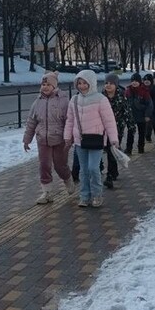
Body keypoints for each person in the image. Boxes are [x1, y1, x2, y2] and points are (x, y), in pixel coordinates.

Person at [64, 70, 119, 208]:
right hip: (79, 141)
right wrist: (67, 136)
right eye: (79, 83)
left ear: (91, 83)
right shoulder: (74, 100)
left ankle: (96, 194)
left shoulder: (101, 99)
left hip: (96, 140)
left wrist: (113, 138)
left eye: (85, 83)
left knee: (93, 168)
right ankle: (84, 196)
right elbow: (70, 120)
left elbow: (109, 121)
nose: (82, 86)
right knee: (83, 170)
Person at [23, 71, 76, 204]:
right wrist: (27, 139)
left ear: (55, 86)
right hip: (43, 139)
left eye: (48, 84)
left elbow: (69, 121)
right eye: (43, 84)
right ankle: (47, 192)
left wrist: (70, 138)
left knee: (60, 165)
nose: (45, 87)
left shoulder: (63, 100)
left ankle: (68, 179)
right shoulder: (37, 102)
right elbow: (31, 121)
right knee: (44, 166)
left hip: (60, 139)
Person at [102, 73, 134, 189]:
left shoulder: (121, 96)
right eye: (106, 83)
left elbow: (127, 112)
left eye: (111, 83)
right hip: (102, 129)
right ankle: (114, 171)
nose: (108, 86)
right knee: (107, 151)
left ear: (116, 85)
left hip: (117, 129)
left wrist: (131, 126)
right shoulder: (101, 97)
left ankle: (109, 176)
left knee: (112, 151)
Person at [124, 73, 153, 154]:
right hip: (131, 116)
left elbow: (149, 105)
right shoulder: (128, 91)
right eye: (133, 81)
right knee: (130, 133)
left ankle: (141, 148)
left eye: (136, 81)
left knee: (141, 133)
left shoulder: (144, 91)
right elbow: (124, 103)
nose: (134, 82)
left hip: (141, 116)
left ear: (140, 82)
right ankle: (128, 149)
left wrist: (147, 115)